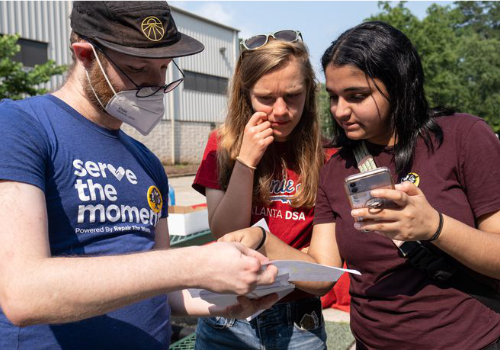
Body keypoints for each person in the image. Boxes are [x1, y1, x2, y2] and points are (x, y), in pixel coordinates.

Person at [0, 1, 279, 349]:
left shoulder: (145, 161)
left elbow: (168, 292)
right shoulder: (19, 126)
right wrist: (193, 262)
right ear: (86, 55)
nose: (157, 83)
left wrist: (227, 301)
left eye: (164, 67)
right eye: (137, 67)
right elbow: (24, 293)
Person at [220, 21, 500, 349]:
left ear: (398, 85)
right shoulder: (336, 166)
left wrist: (433, 226)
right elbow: (322, 273)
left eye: (357, 96)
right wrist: (263, 241)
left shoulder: (463, 137)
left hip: (469, 341)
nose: (340, 111)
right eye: (334, 97)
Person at [192, 31, 334, 350]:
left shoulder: (328, 157)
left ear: (310, 92)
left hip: (299, 322)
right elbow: (225, 232)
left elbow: (322, 275)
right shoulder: (223, 146)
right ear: (246, 95)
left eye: (293, 96)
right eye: (266, 98)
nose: (280, 111)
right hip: (227, 319)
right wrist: (246, 161)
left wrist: (263, 240)